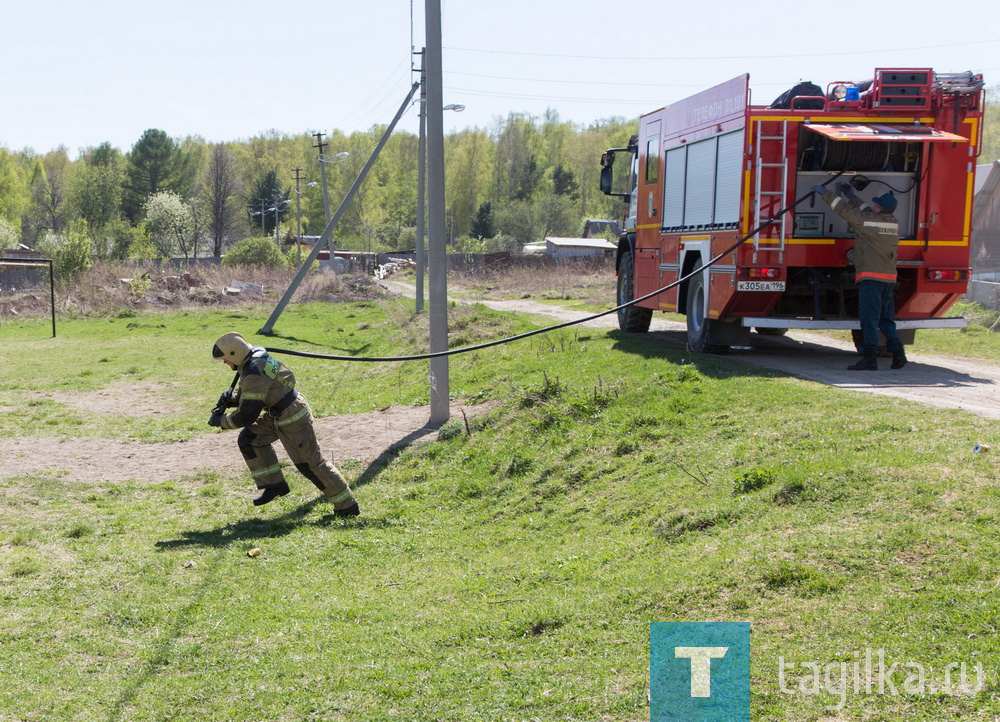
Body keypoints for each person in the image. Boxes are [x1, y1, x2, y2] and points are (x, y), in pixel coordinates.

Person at [209, 332, 359, 514]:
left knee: (311, 465)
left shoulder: (254, 371)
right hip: (278, 412)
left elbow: (246, 415)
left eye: (225, 359)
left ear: (234, 354)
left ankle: (347, 507)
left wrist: (221, 421)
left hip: (291, 417)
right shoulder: (254, 360)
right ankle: (274, 485)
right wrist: (233, 399)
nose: (225, 363)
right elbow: (263, 389)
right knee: (250, 439)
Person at [810, 183, 908, 371]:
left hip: (872, 279)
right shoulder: (890, 222)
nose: (874, 206)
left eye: (876, 205)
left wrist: (826, 194)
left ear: (879, 209)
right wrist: (852, 196)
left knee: (869, 319)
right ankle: (898, 354)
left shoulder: (869, 223)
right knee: (886, 319)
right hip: (888, 279)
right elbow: (864, 210)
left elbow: (845, 212)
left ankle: (870, 358)